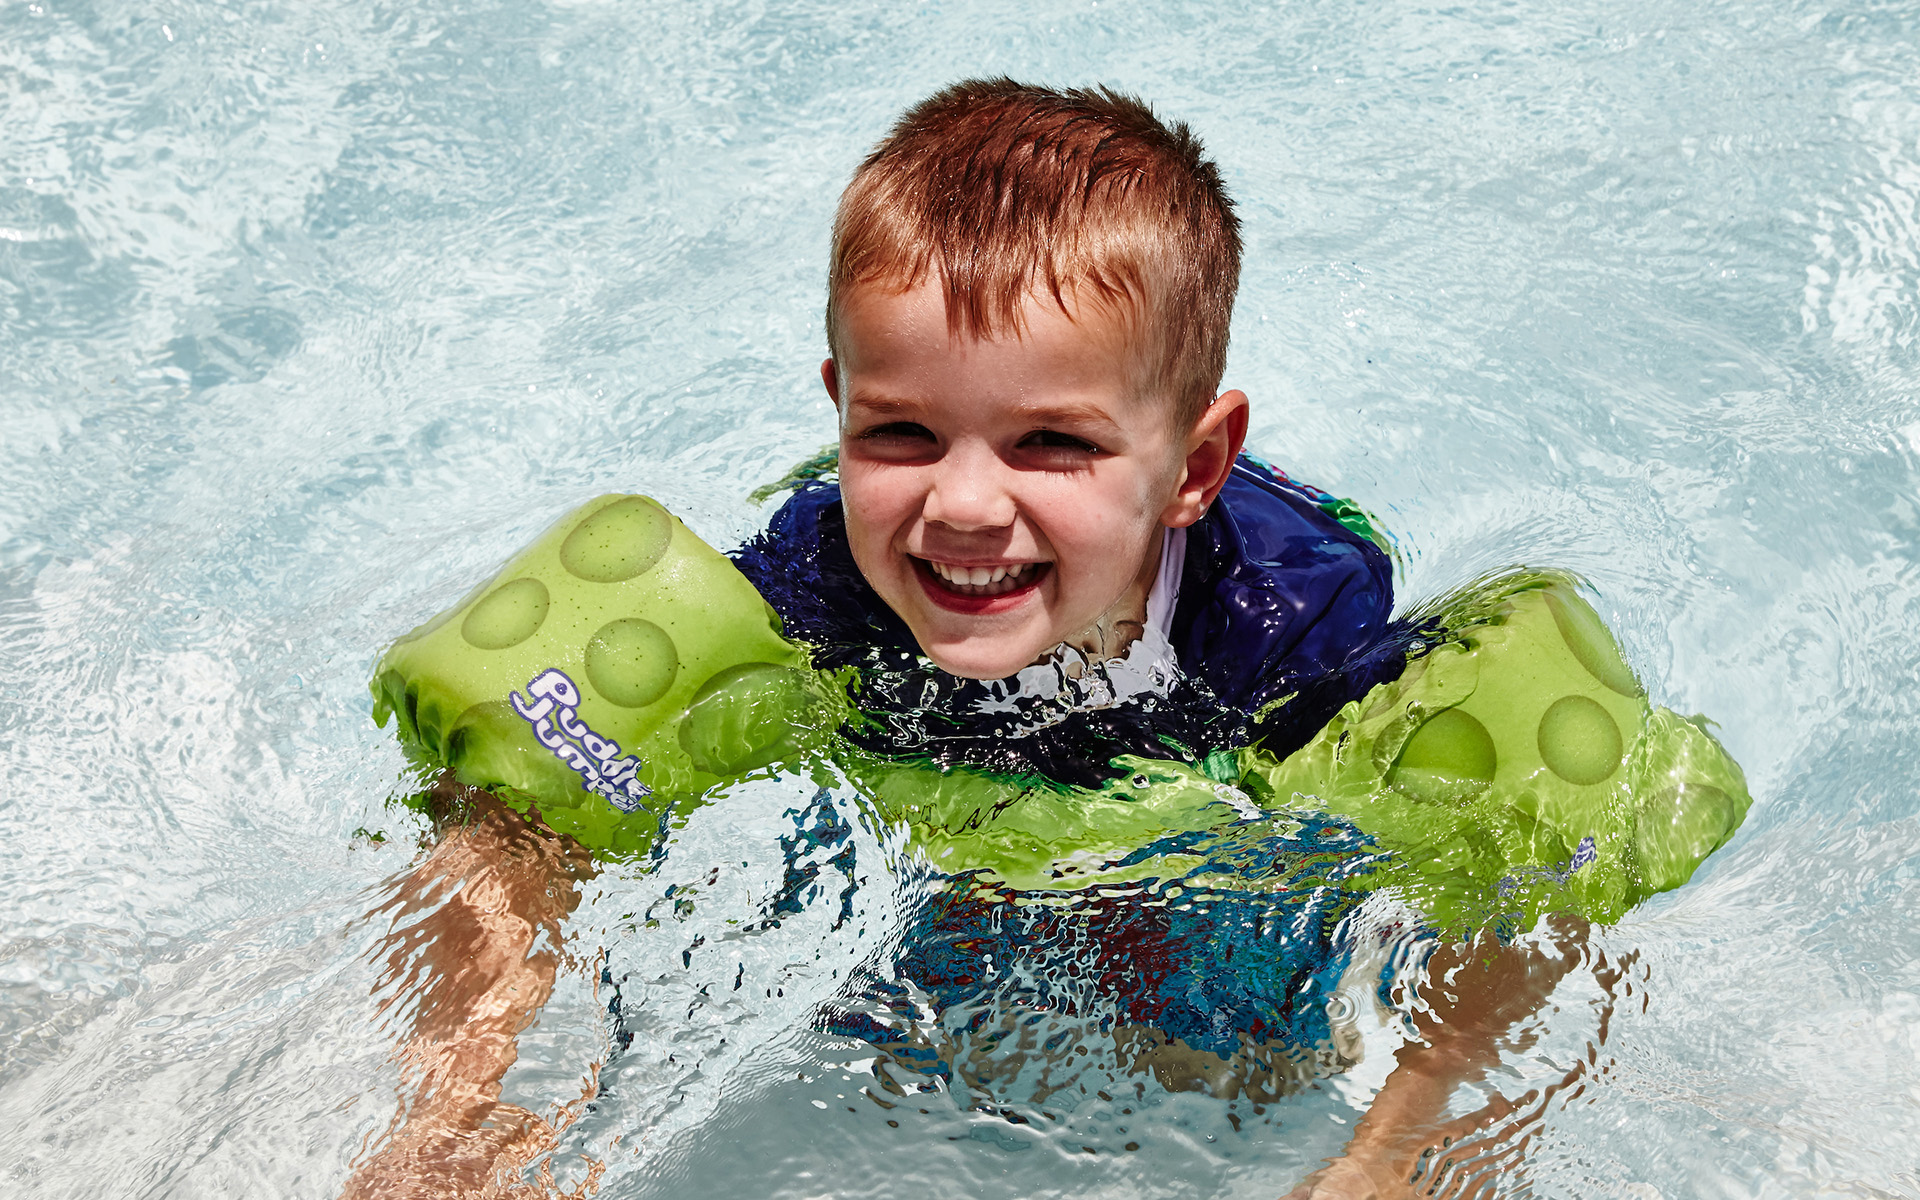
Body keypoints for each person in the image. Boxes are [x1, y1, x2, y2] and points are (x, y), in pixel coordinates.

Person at [345, 80, 1618, 1200]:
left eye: (1050, 443)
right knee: (874, 1015)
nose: (961, 504)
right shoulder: (817, 584)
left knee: (1242, 1057)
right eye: (901, 432)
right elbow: (511, 810)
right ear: (841, 408)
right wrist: (459, 1106)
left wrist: (1403, 1144)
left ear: (1193, 468)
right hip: (941, 898)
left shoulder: (1283, 630)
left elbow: (1541, 887)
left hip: (1206, 896)